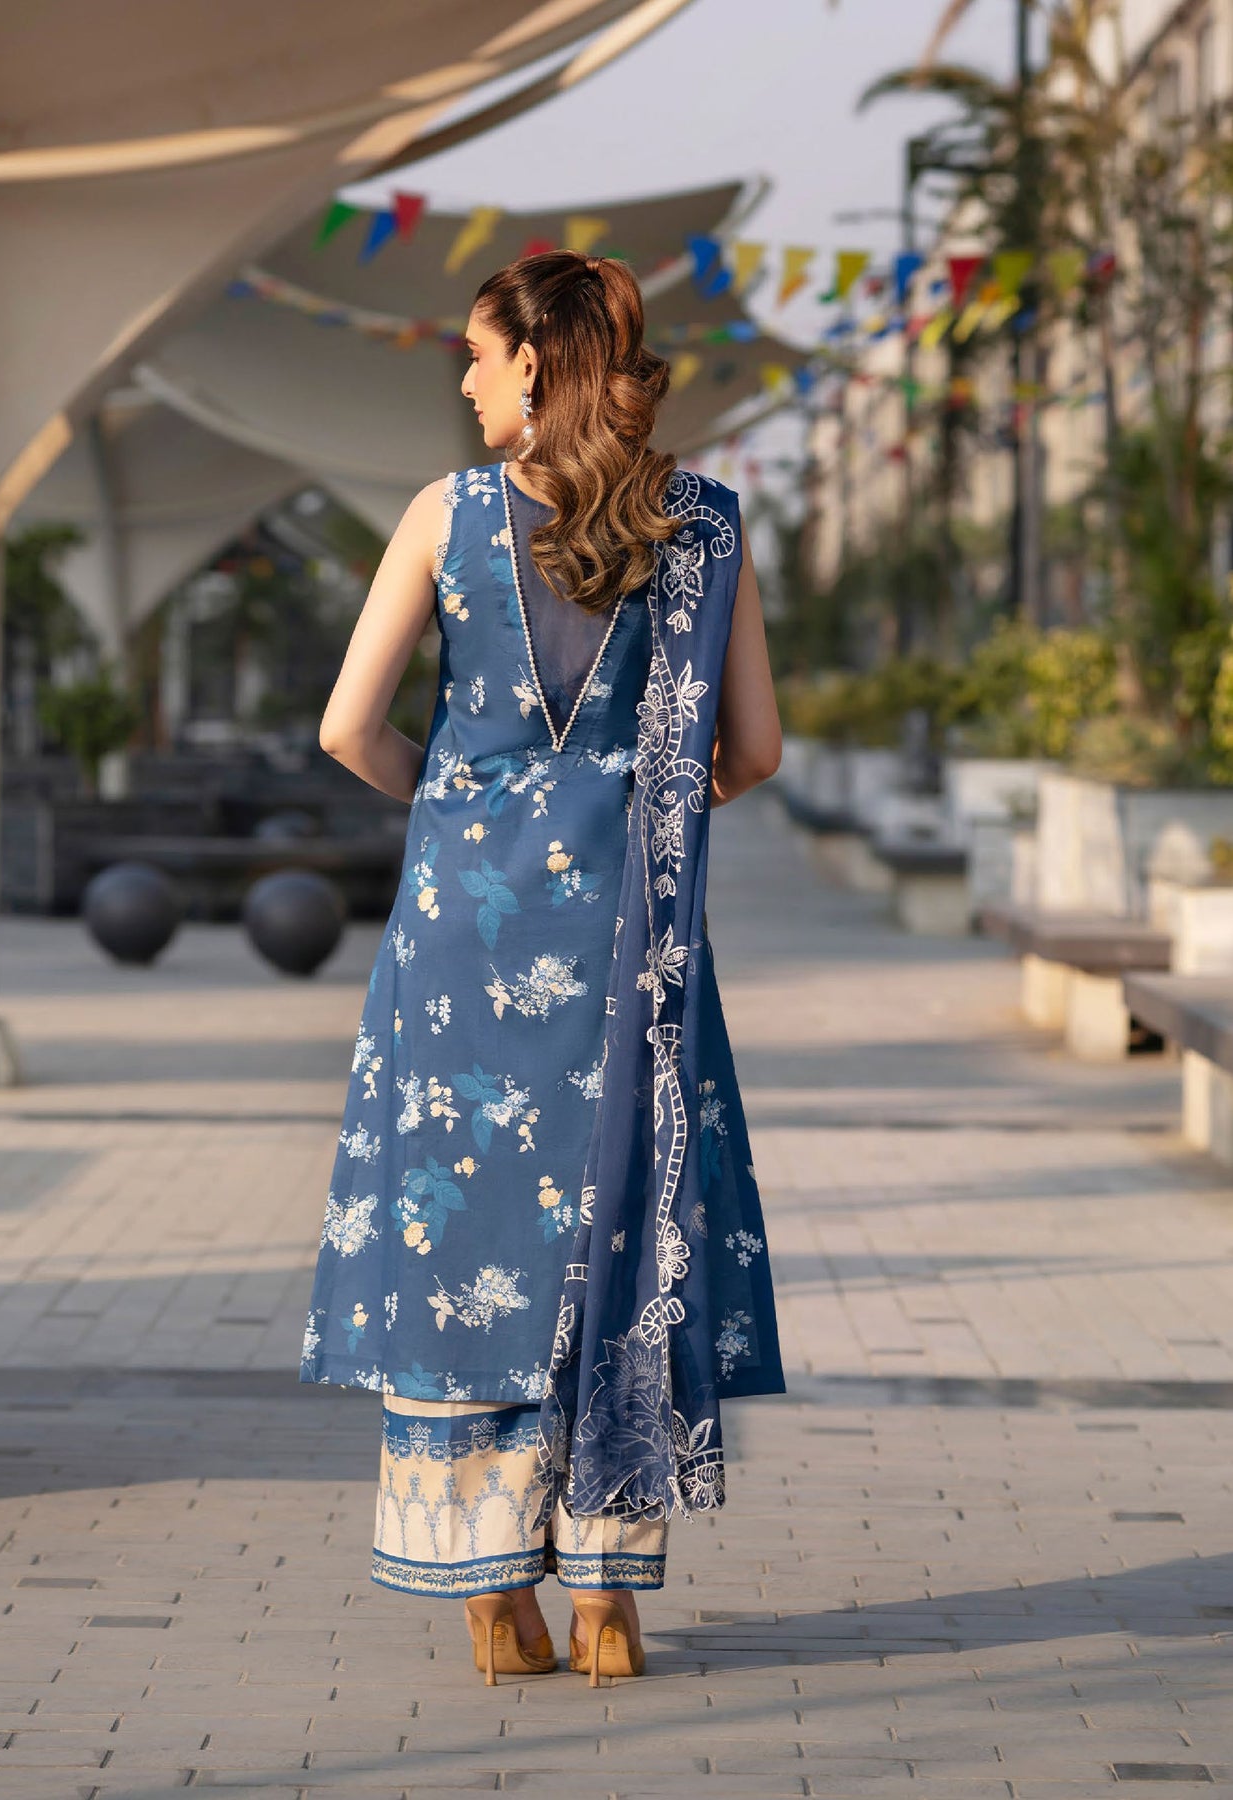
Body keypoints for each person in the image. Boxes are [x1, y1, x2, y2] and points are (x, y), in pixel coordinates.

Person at [301, 249, 785, 1687]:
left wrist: (464, 811)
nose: (461, 381)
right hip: (632, 943)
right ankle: (606, 1599)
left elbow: (347, 728)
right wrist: (630, 806)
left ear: (532, 361)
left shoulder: (445, 518)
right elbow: (752, 751)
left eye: (474, 354)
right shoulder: (703, 526)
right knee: (620, 1230)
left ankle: (491, 1598)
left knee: (466, 1244)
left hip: (465, 941)